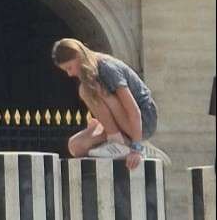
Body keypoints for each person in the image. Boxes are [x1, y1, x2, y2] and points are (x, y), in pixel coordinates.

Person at [54, 38, 159, 170]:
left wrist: (136, 149)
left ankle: (121, 142)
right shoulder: (90, 72)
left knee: (86, 89)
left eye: (69, 68)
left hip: (143, 120)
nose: (70, 74)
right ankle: (121, 141)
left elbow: (133, 110)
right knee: (75, 146)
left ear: (78, 56)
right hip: (121, 122)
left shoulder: (107, 68)